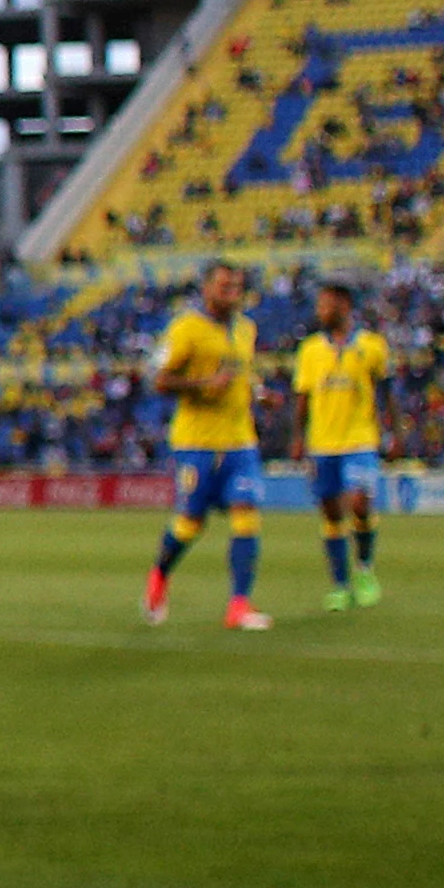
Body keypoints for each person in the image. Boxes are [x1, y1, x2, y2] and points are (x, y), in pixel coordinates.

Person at [142, 260, 269, 629]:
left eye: (237, 286)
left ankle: (239, 605)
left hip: (240, 441)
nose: (232, 292)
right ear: (206, 289)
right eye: (224, 286)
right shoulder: (186, 329)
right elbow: (158, 378)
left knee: (246, 513)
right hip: (197, 443)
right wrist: (201, 387)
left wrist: (259, 394)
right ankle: (159, 577)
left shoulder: (246, 328)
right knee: (189, 523)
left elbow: (241, 374)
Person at [290, 282, 386, 611]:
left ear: (345, 305)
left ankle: (364, 569)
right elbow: (302, 399)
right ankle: (340, 585)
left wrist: (395, 432)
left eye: (326, 304)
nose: (320, 311)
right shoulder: (310, 350)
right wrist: (298, 438)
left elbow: (385, 391)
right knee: (331, 513)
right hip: (323, 443)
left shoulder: (372, 346)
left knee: (359, 503)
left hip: (360, 439)